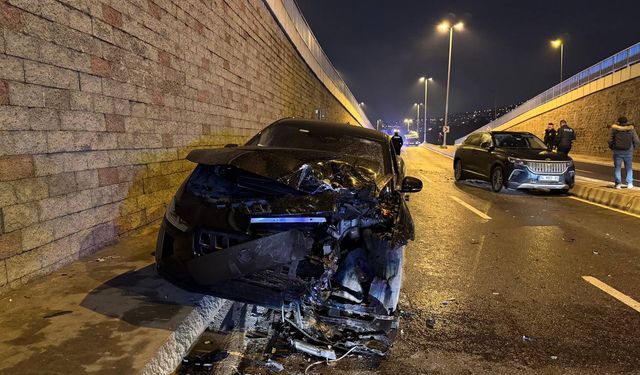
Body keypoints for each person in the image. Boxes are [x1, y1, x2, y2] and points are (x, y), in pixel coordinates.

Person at [608, 116, 640, 189]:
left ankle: (618, 184)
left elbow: (609, 140)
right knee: (629, 167)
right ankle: (629, 183)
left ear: (618, 122)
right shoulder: (631, 129)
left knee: (617, 168)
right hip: (628, 151)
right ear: (626, 122)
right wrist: (633, 148)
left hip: (617, 151)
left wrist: (612, 147)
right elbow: (637, 141)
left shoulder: (614, 129)